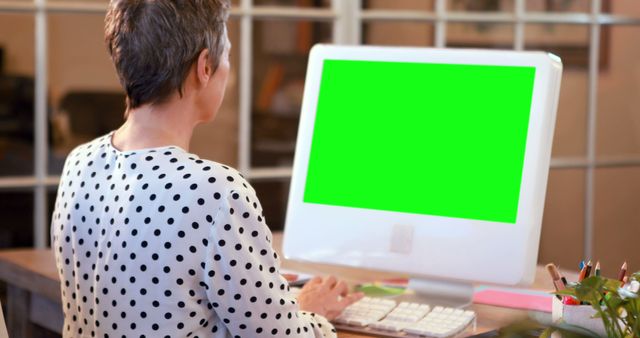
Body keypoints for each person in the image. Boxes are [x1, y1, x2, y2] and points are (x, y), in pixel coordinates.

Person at [50, 0, 363, 337]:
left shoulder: (80, 163)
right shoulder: (214, 191)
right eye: (226, 55)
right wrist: (310, 312)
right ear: (204, 67)